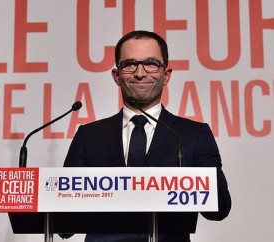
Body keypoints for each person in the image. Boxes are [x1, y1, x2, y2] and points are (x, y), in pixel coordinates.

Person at [60, 30, 231, 242]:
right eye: (130, 64)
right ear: (116, 75)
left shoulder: (193, 135)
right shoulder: (89, 136)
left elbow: (220, 208)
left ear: (166, 75)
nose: (140, 73)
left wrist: (183, 185)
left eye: (151, 63)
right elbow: (63, 223)